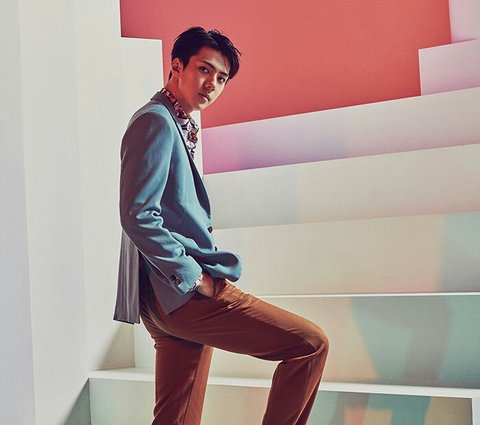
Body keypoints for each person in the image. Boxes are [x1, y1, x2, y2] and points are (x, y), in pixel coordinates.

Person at [114, 26, 329, 425]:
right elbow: (137, 214)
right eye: (204, 69)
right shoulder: (155, 121)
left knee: (177, 416)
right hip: (180, 292)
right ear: (176, 66)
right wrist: (192, 275)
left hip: (163, 297)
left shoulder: (173, 121)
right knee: (310, 344)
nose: (212, 83)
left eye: (221, 77)